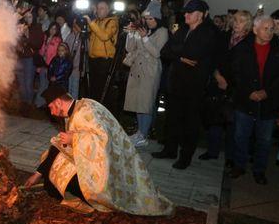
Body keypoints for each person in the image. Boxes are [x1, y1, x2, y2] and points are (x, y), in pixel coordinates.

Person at [23, 84, 174, 216]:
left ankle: (93, 200)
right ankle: (53, 181)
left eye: (51, 108)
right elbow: (59, 145)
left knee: (58, 182)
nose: (52, 113)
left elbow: (103, 140)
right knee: (52, 178)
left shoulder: (84, 112)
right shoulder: (81, 106)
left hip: (106, 174)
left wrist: (74, 139)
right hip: (100, 163)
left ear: (58, 102)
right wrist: (38, 174)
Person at [153, 0, 218, 169]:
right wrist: (181, 57)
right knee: (172, 118)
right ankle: (170, 149)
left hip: (194, 86)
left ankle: (185, 157)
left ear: (202, 15)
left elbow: (194, 53)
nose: (186, 15)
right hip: (176, 83)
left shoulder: (208, 32)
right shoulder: (183, 30)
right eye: (186, 12)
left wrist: (178, 52)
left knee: (190, 123)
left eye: (190, 12)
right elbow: (165, 51)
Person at [229, 15, 279, 185]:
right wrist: (248, 92)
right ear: (255, 30)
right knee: (241, 136)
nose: (270, 32)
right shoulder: (241, 48)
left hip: (268, 103)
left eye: (272, 28)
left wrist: (267, 92)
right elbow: (235, 74)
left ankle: (259, 170)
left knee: (264, 141)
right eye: (266, 28)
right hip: (245, 101)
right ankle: (239, 165)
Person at [200, 10, 253, 167]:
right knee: (214, 119)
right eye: (235, 20)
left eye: (241, 21)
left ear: (248, 24)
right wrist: (217, 76)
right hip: (218, 83)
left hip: (236, 89)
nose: (237, 24)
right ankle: (212, 151)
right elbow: (212, 58)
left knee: (232, 124)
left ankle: (231, 157)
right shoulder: (224, 37)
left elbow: (248, 69)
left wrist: (230, 83)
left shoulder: (250, 42)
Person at [123, 0, 169, 147]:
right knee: (138, 102)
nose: (148, 21)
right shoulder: (145, 30)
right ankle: (139, 132)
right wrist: (131, 35)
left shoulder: (163, 32)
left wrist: (144, 38)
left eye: (151, 18)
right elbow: (130, 49)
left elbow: (156, 53)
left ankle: (144, 135)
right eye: (146, 18)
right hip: (137, 70)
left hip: (150, 71)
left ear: (157, 18)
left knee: (146, 103)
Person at [84, 1, 119, 109]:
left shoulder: (112, 22)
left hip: (105, 60)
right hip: (93, 58)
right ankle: (93, 111)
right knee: (93, 88)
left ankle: (103, 112)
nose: (99, 10)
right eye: (98, 8)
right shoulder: (95, 21)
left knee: (102, 89)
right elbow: (87, 31)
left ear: (108, 10)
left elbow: (104, 36)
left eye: (102, 8)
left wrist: (91, 23)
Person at [15, 9, 44, 110]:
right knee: (21, 82)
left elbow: (38, 44)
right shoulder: (22, 26)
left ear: (34, 17)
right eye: (26, 17)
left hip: (30, 59)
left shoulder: (37, 28)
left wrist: (28, 36)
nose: (27, 18)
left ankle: (29, 103)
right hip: (20, 57)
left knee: (28, 82)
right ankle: (24, 102)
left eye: (30, 16)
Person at [34, 22, 62, 107]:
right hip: (43, 65)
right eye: (51, 28)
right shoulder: (45, 38)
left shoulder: (58, 40)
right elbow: (41, 51)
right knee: (43, 85)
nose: (52, 30)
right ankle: (39, 103)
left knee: (47, 86)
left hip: (51, 66)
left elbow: (55, 54)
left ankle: (43, 103)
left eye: (54, 29)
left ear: (57, 30)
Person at [64, 19, 82, 99]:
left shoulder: (83, 38)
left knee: (74, 89)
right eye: (73, 25)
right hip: (68, 66)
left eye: (76, 25)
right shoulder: (70, 36)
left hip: (76, 68)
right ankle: (68, 106)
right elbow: (65, 47)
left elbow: (83, 53)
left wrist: (78, 66)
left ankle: (74, 107)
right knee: (68, 88)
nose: (74, 27)